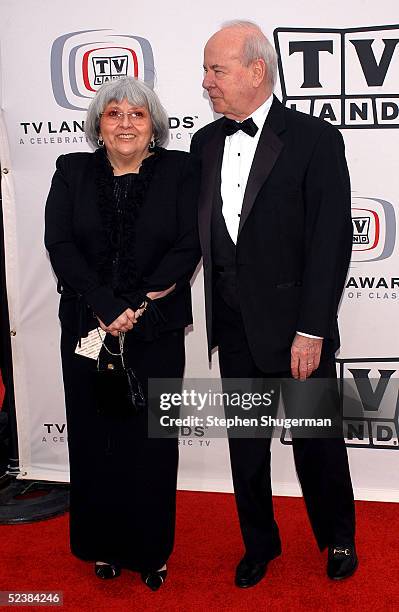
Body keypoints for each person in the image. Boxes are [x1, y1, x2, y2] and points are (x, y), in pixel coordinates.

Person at [190, 21, 357, 588]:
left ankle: (337, 538)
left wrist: (312, 327)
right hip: (234, 327)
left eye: (217, 69)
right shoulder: (204, 142)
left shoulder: (314, 138)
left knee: (316, 442)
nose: (207, 81)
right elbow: (196, 235)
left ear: (255, 70)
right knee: (246, 449)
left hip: (296, 330)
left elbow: (331, 239)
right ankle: (259, 543)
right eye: (207, 70)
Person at [45, 76, 200, 590]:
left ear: (154, 124)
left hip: (153, 327)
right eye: (114, 114)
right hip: (87, 325)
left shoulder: (180, 171)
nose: (126, 123)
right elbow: (59, 243)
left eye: (137, 114)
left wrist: (135, 305)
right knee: (95, 440)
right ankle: (102, 546)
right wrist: (105, 304)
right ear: (98, 125)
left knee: (151, 443)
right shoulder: (70, 171)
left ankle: (150, 550)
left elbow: (188, 244)